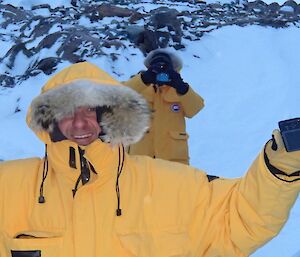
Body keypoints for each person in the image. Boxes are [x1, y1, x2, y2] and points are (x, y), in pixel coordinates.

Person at [0, 61, 299, 257]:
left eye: (91, 110)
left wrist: (283, 162)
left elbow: (241, 219)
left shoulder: (175, 187)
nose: (79, 124)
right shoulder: (10, 188)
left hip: (166, 158)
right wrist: (144, 79)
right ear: (49, 120)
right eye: (67, 111)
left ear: (111, 116)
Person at [123, 49, 204, 164]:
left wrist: (181, 86)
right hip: (139, 159)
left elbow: (195, 109)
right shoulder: (138, 86)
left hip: (173, 160)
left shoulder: (179, 90)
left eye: (165, 68)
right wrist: (144, 79)